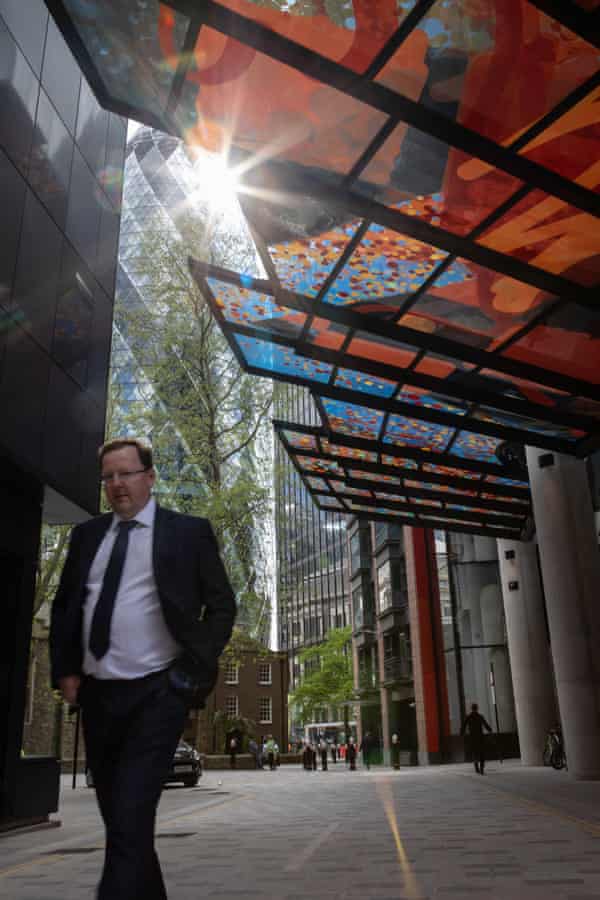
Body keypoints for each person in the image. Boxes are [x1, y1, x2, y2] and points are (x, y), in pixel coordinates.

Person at [50, 438, 236, 900]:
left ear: (150, 477)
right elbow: (67, 607)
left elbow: (222, 608)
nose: (116, 485)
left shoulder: (187, 532)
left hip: (158, 693)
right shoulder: (87, 536)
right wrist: (67, 670)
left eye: (126, 474)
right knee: (121, 822)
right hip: (99, 697)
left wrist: (191, 671)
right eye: (108, 477)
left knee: (131, 815)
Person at [461, 703, 493, 774]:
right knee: (482, 752)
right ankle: (481, 768)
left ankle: (476, 767)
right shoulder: (480, 716)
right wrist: (490, 730)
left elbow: (463, 726)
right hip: (480, 737)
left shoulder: (468, 717)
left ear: (471, 708)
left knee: (475, 752)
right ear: (477, 708)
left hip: (472, 737)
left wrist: (462, 734)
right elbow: (485, 724)